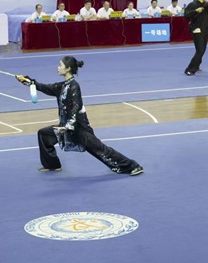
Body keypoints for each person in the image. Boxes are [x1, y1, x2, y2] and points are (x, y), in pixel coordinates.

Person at [15, 56, 144, 175]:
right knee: (44, 134)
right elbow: (44, 87)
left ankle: (132, 166)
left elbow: (76, 108)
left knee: (100, 150)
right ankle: (52, 164)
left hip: (79, 128)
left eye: (60, 65)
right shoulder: (62, 86)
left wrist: (67, 127)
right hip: (66, 126)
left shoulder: (74, 86)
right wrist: (28, 81)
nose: (58, 67)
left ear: (68, 68)